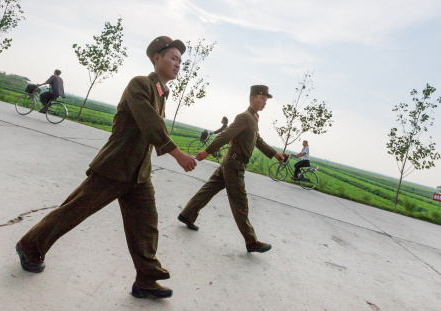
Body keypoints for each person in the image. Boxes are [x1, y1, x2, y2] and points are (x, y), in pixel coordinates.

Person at [15, 36, 197, 299]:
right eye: (173, 58)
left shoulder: (161, 93)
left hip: (138, 174)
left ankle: (146, 279)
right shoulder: (140, 84)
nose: (178, 64)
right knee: (75, 210)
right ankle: (30, 246)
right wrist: (176, 153)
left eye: (180, 60)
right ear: (157, 58)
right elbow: (149, 122)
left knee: (146, 225)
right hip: (115, 167)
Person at [178, 85, 284, 253]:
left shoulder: (253, 118)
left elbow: (258, 141)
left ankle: (187, 215)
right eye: (262, 98)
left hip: (230, 163)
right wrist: (208, 151)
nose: (265, 102)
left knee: (208, 190)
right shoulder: (244, 117)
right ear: (252, 98)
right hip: (234, 166)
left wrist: (275, 154)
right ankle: (251, 241)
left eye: (266, 100)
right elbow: (226, 135)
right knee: (240, 203)